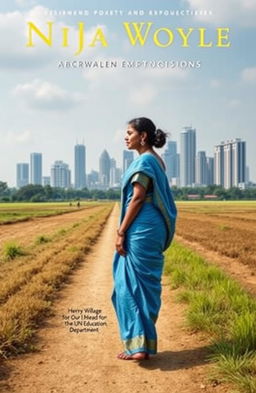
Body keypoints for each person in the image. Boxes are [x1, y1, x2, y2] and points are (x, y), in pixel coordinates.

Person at [111, 117, 177, 361]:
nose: (125, 137)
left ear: (143, 136)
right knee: (142, 284)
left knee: (128, 285)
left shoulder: (145, 160)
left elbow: (138, 197)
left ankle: (139, 345)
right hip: (153, 227)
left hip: (142, 226)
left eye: (129, 132)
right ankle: (142, 343)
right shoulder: (156, 160)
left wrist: (121, 231)